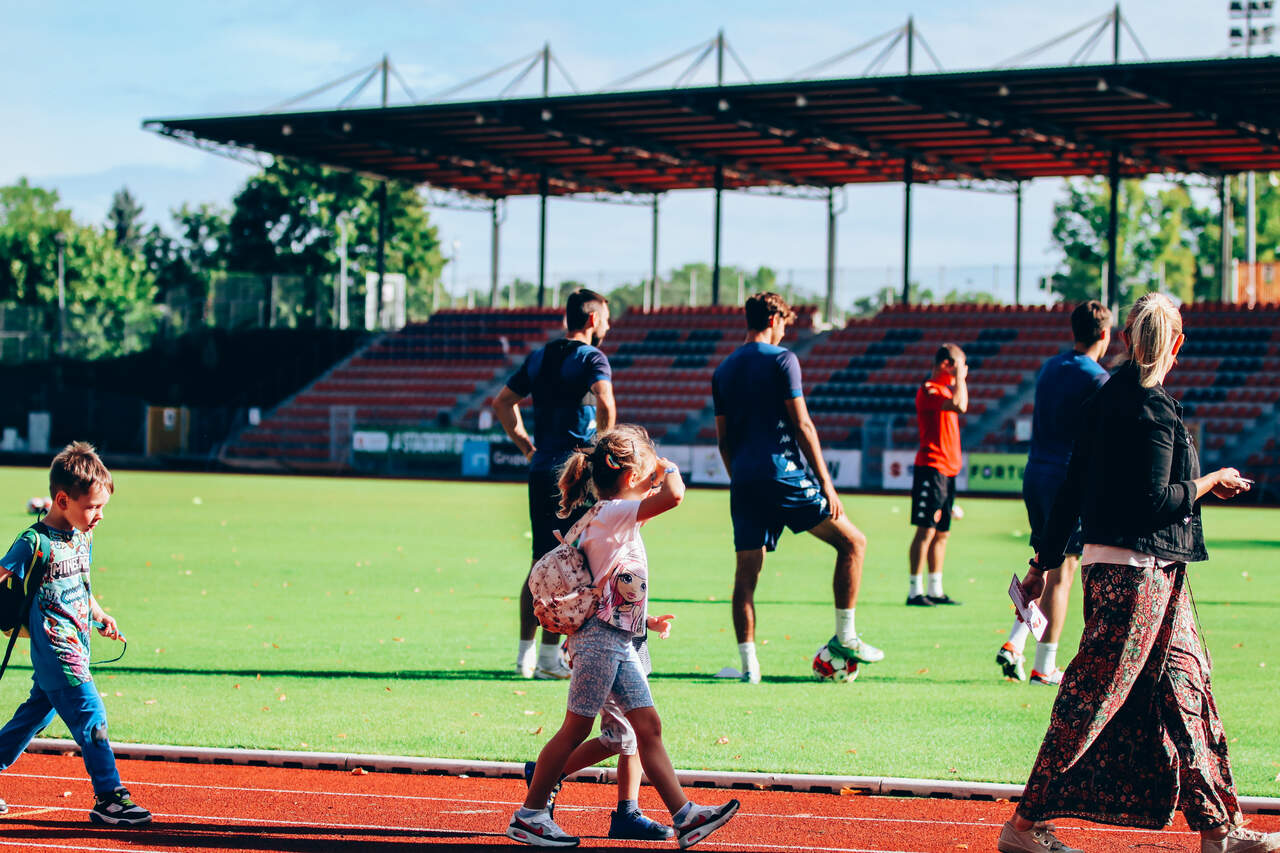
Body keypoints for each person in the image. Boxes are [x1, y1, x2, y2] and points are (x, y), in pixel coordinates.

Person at [997, 293, 1275, 853]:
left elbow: (1070, 490)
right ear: (1177, 344)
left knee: (1188, 688)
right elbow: (1154, 502)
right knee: (1090, 697)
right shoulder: (1153, 409)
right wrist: (1211, 480)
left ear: (1126, 338)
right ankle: (1022, 828)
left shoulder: (1103, 400)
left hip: (1141, 572)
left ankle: (1219, 830)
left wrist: (1040, 565)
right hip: (1138, 576)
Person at [508, 426, 739, 849]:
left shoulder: (610, 515)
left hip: (617, 638)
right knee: (576, 729)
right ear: (632, 476)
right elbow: (674, 496)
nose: (655, 478)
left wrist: (646, 620)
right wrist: (668, 467)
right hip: (600, 641)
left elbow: (610, 584)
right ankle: (530, 814)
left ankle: (685, 816)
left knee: (647, 727)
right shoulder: (614, 512)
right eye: (647, 473)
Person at [712, 292, 883, 684]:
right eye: (785, 324)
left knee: (746, 576)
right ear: (774, 319)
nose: (785, 332)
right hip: (782, 473)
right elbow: (803, 425)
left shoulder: (723, 370)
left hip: (744, 480)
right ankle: (846, 636)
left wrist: (741, 479)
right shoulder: (783, 359)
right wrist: (827, 484)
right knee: (853, 543)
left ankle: (749, 669)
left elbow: (723, 441)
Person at [0, 442, 151, 826]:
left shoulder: (83, 537)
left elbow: (80, 585)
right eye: (92, 507)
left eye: (102, 507)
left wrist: (99, 614)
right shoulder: (33, 542)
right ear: (62, 500)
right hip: (57, 651)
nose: (99, 515)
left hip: (78, 645)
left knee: (35, 716)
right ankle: (109, 797)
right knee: (92, 716)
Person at [494, 289, 616, 680]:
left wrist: (527, 448)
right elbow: (606, 403)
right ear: (593, 319)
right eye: (606, 319)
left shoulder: (538, 356)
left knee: (540, 562)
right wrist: (600, 454)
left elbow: (502, 403)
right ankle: (550, 658)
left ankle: (525, 657)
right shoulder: (592, 358)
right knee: (571, 564)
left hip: (542, 467)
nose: (608, 326)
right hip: (575, 471)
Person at [997, 301, 1111, 685]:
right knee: (1062, 572)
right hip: (1066, 480)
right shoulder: (1098, 379)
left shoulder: (1050, 367)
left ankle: (1015, 642)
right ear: (1105, 335)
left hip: (1036, 474)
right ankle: (1044, 665)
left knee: (1042, 563)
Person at [522, 618, 677, 842]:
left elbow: (623, 605)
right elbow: (602, 604)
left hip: (629, 651)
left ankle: (628, 812)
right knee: (620, 736)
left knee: (635, 733)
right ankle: (547, 774)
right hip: (607, 651)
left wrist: (647, 621)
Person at [906, 343, 967, 607]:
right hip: (931, 467)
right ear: (946, 365)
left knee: (942, 533)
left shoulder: (944, 390)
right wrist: (961, 378)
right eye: (959, 366)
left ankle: (935, 589)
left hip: (947, 470)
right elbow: (960, 406)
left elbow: (960, 404)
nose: (962, 372)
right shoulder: (929, 389)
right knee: (926, 530)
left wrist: (959, 378)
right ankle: (914, 590)